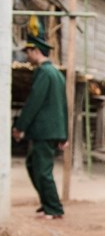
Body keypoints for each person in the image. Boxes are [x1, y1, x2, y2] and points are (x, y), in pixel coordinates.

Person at [12, 36, 67, 220]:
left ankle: (54, 208)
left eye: (28, 52)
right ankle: (47, 202)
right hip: (52, 130)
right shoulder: (57, 74)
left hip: (45, 130)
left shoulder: (44, 72)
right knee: (32, 164)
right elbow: (63, 106)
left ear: (36, 51)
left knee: (42, 169)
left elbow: (34, 102)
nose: (27, 56)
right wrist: (63, 134)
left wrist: (20, 126)